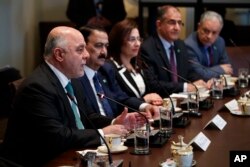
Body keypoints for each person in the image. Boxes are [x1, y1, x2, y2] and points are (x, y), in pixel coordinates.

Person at [0, 26, 140, 167]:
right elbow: (57, 136)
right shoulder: (37, 88)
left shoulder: (73, 80)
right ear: (59, 55)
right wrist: (102, 133)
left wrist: (114, 122)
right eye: (80, 50)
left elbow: (88, 116)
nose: (86, 55)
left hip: (71, 156)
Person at [78, 25, 159, 119]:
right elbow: (88, 116)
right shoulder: (76, 77)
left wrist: (145, 106)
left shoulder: (106, 70)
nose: (104, 51)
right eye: (99, 46)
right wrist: (113, 123)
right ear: (83, 47)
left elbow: (121, 99)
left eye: (106, 46)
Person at [140, 5, 208, 97]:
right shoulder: (147, 48)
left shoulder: (180, 44)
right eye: (172, 22)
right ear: (159, 24)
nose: (177, 28)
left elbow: (188, 72)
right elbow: (153, 85)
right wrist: (185, 87)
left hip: (183, 100)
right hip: (161, 102)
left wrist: (201, 81)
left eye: (179, 23)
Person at [108, 18, 163, 106]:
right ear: (119, 41)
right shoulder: (111, 68)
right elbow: (118, 101)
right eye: (132, 39)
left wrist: (153, 100)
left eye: (138, 39)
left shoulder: (138, 64)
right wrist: (144, 100)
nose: (137, 44)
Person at [185, 11, 233, 81]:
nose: (209, 36)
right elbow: (199, 75)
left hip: (215, 86)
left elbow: (228, 69)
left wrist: (207, 72)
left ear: (219, 32)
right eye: (206, 30)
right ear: (199, 27)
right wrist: (220, 69)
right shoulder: (189, 45)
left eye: (214, 33)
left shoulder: (220, 41)